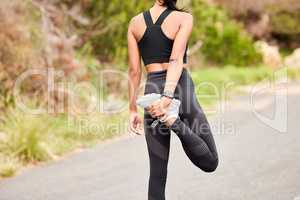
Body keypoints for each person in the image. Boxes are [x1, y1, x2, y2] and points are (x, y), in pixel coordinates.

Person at [127, 0, 219, 199]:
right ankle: (173, 121)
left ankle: (172, 120)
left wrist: (133, 109)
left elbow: (134, 71)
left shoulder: (134, 23)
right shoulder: (183, 18)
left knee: (157, 174)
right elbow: (176, 59)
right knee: (210, 162)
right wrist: (168, 97)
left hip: (151, 93)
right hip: (180, 88)